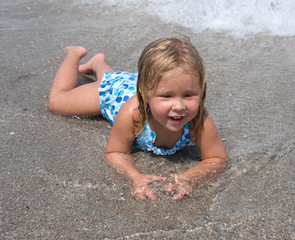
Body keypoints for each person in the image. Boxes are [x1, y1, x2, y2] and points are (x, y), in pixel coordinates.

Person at [48, 37, 227, 200]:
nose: (179, 106)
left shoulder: (199, 120)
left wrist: (191, 177)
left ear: (201, 90)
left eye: (189, 95)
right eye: (167, 97)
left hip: (142, 83)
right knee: (57, 102)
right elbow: (115, 152)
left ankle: (98, 63)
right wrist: (134, 175)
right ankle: (74, 54)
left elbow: (217, 158)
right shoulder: (133, 114)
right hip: (115, 92)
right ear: (144, 92)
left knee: (116, 77)